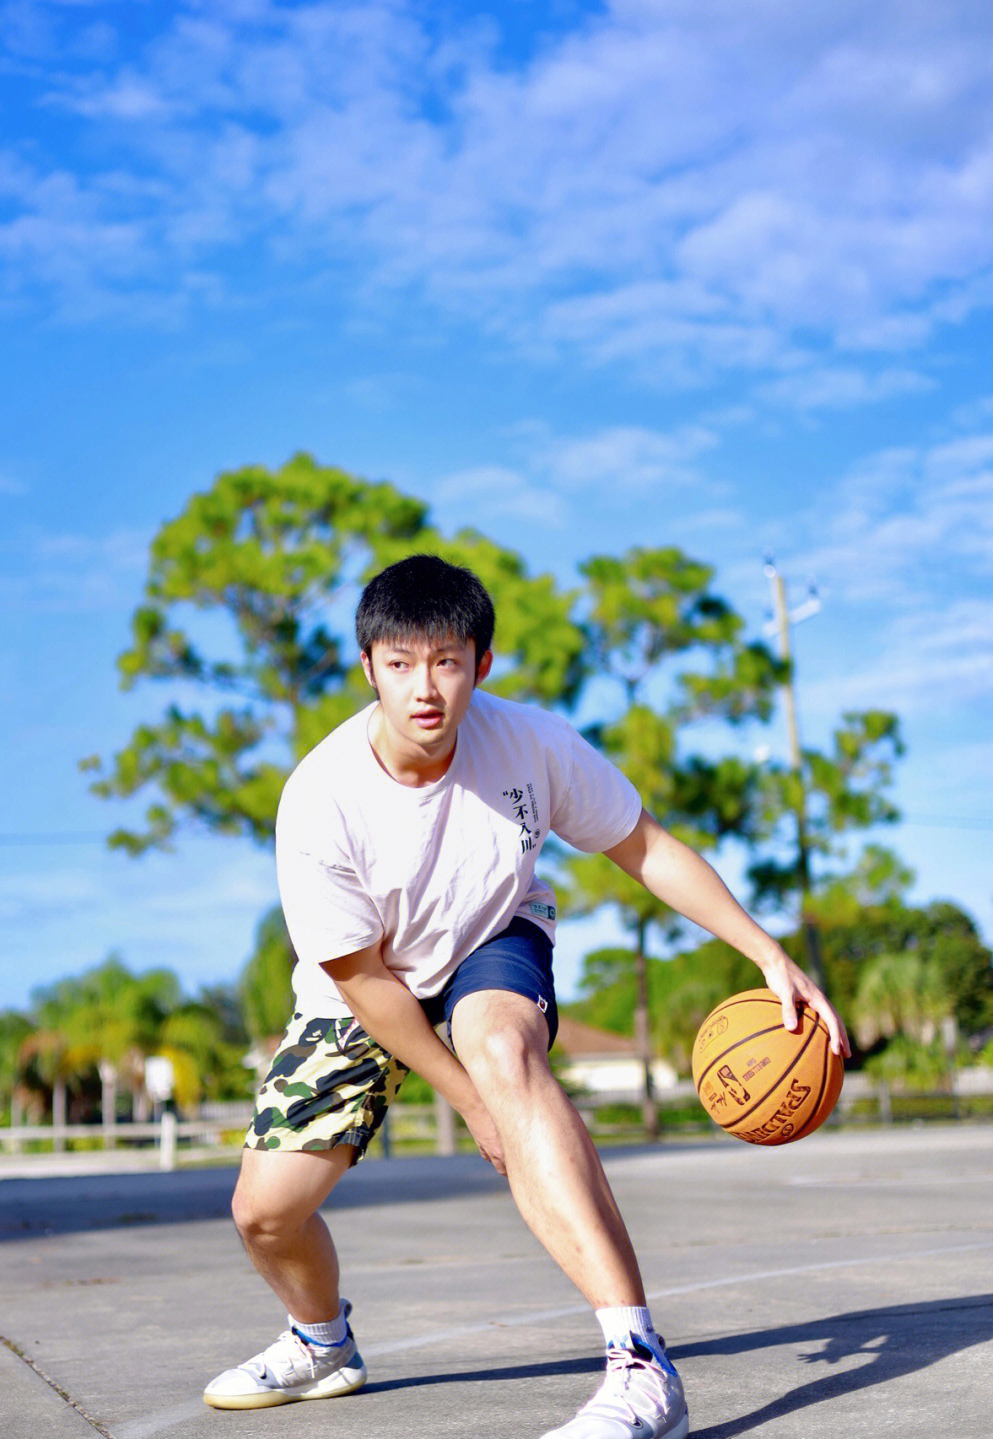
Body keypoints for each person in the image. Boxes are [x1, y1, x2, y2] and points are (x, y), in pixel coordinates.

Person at [203, 554, 850, 1438]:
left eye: (445, 660)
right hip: (365, 989)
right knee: (265, 1213)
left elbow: (646, 849)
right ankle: (321, 1341)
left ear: (482, 664)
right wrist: (469, 1105)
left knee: (505, 1054)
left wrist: (768, 952)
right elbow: (364, 981)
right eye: (399, 663)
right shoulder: (319, 798)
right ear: (368, 669)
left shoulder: (533, 745)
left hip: (488, 940)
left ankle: (639, 1366)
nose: (423, 687)